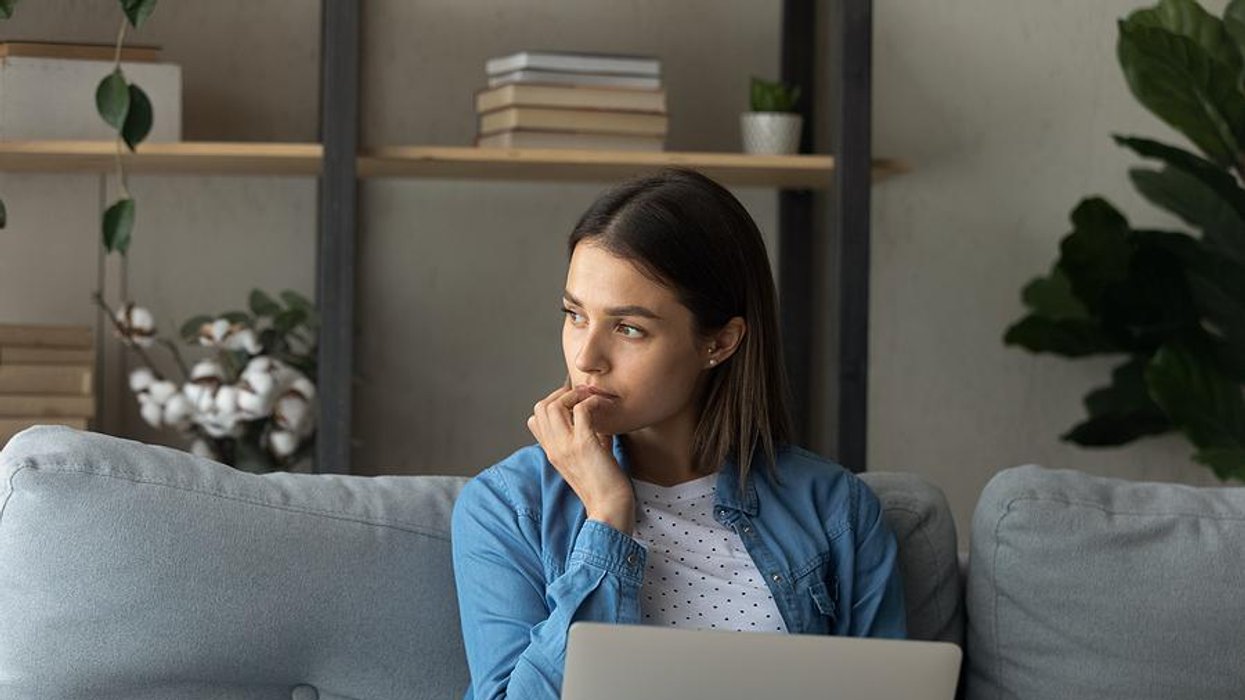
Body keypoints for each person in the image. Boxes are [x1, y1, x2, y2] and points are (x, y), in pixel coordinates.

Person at [451, 168, 906, 699]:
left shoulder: (836, 513)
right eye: (575, 315)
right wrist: (607, 518)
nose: (586, 357)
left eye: (628, 328)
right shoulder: (510, 508)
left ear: (720, 342)